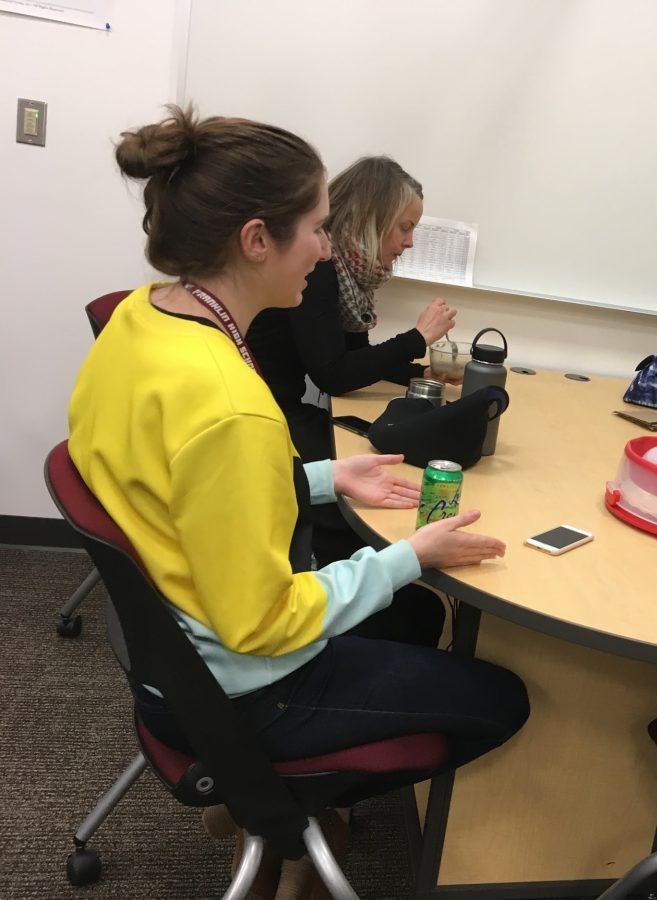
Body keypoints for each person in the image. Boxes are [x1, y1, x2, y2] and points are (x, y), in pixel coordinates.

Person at [67, 106, 529, 862]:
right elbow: (266, 625)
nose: (325, 245)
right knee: (501, 699)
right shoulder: (231, 403)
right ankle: (277, 809)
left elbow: (184, 485)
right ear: (256, 241)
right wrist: (411, 555)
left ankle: (283, 800)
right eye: (316, 227)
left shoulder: (141, 319)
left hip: (172, 646)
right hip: (239, 686)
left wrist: (322, 478)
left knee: (412, 618)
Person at [247, 158, 457, 625]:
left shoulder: (348, 275)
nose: (408, 243)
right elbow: (334, 375)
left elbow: (355, 357)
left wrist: (421, 374)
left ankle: (376, 571)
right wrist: (418, 337)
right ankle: (354, 581)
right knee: (379, 464)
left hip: (278, 406)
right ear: (371, 219)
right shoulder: (321, 270)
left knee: (379, 445)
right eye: (404, 228)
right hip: (269, 416)